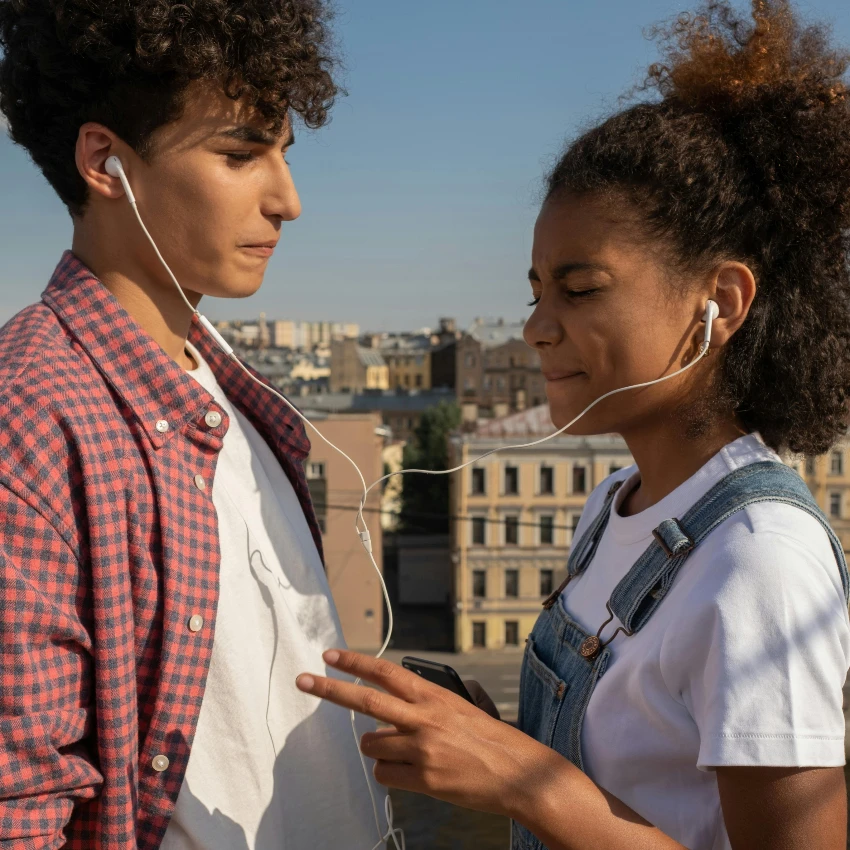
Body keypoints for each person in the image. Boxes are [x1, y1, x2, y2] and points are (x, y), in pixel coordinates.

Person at [296, 1, 850, 848]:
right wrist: (488, 743)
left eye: (580, 289)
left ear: (721, 302)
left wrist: (526, 781)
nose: (535, 327)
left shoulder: (760, 562)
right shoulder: (614, 505)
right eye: (535, 291)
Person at [0, 2, 388, 848]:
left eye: (284, 153)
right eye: (241, 155)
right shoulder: (29, 423)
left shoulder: (233, 394)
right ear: (104, 162)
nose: (288, 200)